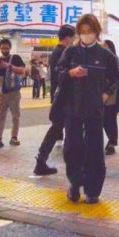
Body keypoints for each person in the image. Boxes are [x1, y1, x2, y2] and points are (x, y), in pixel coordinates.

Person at [57, 14, 119, 204]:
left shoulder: (105, 55)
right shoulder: (70, 52)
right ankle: (75, 184)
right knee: (72, 148)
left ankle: (93, 190)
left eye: (90, 32)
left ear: (97, 32)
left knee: (95, 150)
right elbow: (57, 73)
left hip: (94, 110)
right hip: (72, 108)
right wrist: (70, 73)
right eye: (83, 32)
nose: (86, 35)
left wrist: (106, 93)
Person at [33, 25, 75, 177]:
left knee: (57, 129)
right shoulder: (63, 52)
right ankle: (41, 161)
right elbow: (62, 77)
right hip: (64, 99)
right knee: (58, 129)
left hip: (60, 97)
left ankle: (41, 161)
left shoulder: (56, 52)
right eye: (73, 37)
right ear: (68, 37)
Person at [0, 38, 26, 148]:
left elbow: (22, 71)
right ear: (0, 49)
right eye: (2, 48)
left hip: (14, 92)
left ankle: (14, 137)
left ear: (10, 48)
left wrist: (8, 66)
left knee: (15, 116)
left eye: (6, 48)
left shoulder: (15, 58)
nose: (5, 50)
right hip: (1, 93)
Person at [101, 39, 119, 155]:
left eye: (105, 46)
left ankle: (112, 142)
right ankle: (110, 141)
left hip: (111, 93)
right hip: (100, 92)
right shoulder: (100, 59)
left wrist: (109, 91)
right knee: (103, 118)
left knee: (110, 118)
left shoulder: (114, 59)